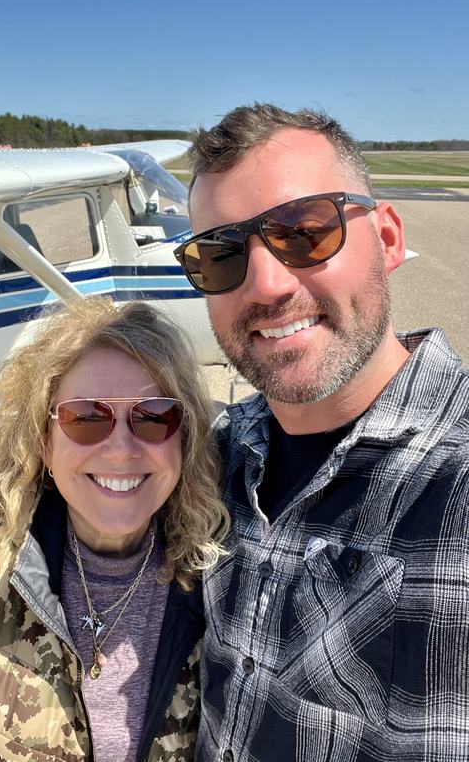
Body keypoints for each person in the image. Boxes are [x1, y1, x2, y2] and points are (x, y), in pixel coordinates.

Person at [173, 103, 469, 761]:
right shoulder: (217, 452)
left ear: (388, 239)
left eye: (305, 231)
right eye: (220, 255)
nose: (268, 285)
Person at [0, 298, 229, 761]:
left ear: (184, 437)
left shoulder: (215, 577)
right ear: (44, 440)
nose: (122, 450)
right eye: (86, 418)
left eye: (154, 416)